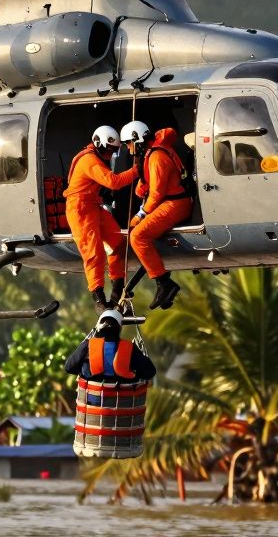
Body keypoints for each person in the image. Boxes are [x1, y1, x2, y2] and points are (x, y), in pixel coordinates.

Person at [64, 125, 138, 313]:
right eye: (108, 149)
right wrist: (137, 171)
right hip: (80, 209)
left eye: (114, 150)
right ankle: (98, 297)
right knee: (94, 252)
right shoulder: (89, 160)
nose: (110, 154)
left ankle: (117, 287)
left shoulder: (95, 157)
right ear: (98, 144)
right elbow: (113, 182)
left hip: (93, 206)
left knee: (118, 243)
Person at [121, 120, 193, 310]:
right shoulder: (153, 153)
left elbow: (157, 194)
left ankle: (164, 284)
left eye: (128, 143)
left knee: (137, 236)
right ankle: (163, 284)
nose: (128, 149)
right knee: (138, 233)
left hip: (176, 204)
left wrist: (141, 214)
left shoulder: (157, 157)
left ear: (137, 140)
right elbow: (149, 186)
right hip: (171, 202)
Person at [63, 310, 156, 383]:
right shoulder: (129, 347)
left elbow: (68, 367)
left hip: (93, 402)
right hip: (123, 402)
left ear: (99, 327)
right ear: (119, 328)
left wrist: (84, 372)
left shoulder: (88, 345)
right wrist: (134, 374)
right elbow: (150, 372)